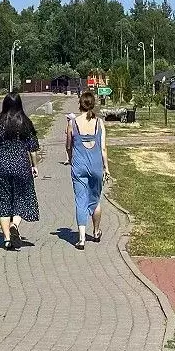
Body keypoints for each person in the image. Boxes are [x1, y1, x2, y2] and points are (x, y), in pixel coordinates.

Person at [0, 93, 40, 251]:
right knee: (21, 198)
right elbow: (33, 148)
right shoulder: (25, 122)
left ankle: (7, 240)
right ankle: (14, 224)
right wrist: (34, 165)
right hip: (21, 165)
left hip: (1, 166)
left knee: (3, 202)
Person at [66, 90, 110, 250]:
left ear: (80, 104)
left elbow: (68, 146)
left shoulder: (73, 123)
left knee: (80, 200)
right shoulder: (99, 123)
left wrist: (71, 159)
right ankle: (96, 231)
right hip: (96, 166)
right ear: (93, 104)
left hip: (79, 166)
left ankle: (82, 238)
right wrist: (106, 168)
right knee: (95, 199)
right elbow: (103, 148)